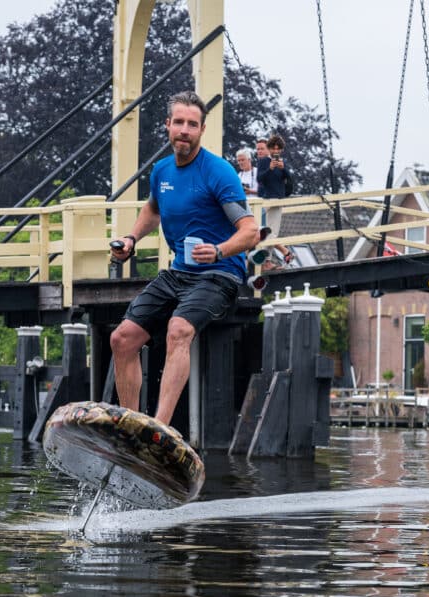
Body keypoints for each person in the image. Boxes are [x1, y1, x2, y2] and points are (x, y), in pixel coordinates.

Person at [109, 91, 260, 427]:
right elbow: (152, 210)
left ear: (202, 130)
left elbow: (250, 231)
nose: (184, 130)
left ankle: (156, 430)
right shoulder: (162, 171)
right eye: (179, 122)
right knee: (122, 338)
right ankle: (131, 426)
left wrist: (220, 250)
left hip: (220, 274)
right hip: (179, 273)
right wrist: (131, 238)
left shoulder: (218, 172)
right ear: (167, 125)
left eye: (192, 124)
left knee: (178, 330)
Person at [255, 134, 293, 267]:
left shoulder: (283, 163)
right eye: (273, 148)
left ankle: (267, 261)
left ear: (281, 149)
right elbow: (260, 179)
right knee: (256, 228)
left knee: (272, 232)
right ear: (269, 148)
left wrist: (284, 169)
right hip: (266, 199)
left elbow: (289, 180)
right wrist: (270, 169)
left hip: (278, 199)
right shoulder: (263, 161)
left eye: (278, 149)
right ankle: (280, 254)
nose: (276, 151)